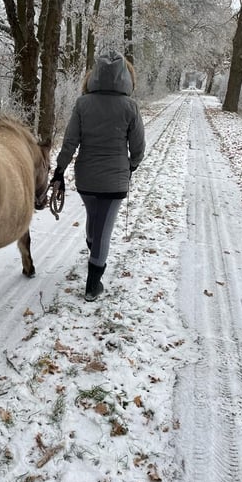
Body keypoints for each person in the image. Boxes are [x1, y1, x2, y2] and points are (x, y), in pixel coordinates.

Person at [51, 50, 145, 301]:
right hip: (114, 180)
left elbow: (70, 142)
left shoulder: (82, 104)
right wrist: (131, 166)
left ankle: (93, 251)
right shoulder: (130, 107)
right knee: (104, 229)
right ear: (126, 78)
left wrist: (59, 171)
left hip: (86, 179)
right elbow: (138, 148)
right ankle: (93, 285)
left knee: (95, 219)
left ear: (93, 76)